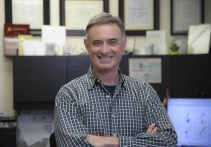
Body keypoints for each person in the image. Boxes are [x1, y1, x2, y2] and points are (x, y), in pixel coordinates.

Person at [54, 12, 177, 147]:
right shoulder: (69, 94)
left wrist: (106, 141)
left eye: (112, 42)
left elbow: (168, 140)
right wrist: (143, 140)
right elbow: (71, 145)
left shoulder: (144, 92)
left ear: (123, 45)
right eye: (97, 43)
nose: (105, 50)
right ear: (87, 45)